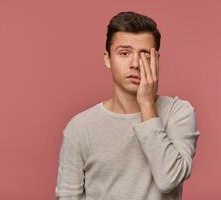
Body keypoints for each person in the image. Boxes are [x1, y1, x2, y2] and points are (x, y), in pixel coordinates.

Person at [55, 11, 200, 200]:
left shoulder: (178, 113)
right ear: (108, 58)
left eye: (145, 55)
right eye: (124, 53)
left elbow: (169, 179)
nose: (135, 64)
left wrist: (147, 104)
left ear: (157, 59)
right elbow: (68, 196)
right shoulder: (80, 127)